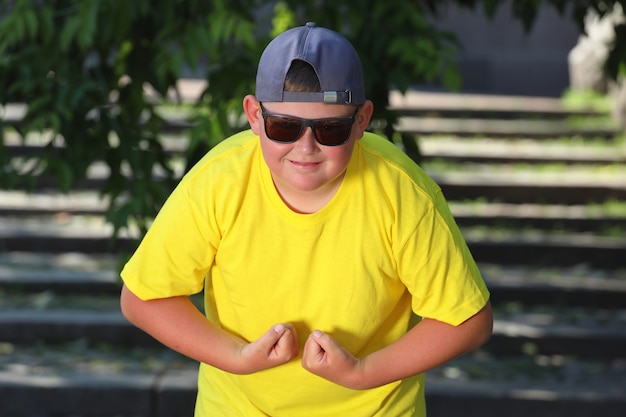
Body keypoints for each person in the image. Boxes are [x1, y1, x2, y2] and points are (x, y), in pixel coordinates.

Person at [120, 22, 493, 417]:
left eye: (330, 130)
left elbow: (467, 319)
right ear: (254, 115)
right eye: (285, 127)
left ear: (362, 120)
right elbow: (144, 297)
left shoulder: (401, 193)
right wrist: (237, 358)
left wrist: (363, 373)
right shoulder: (219, 181)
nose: (306, 147)